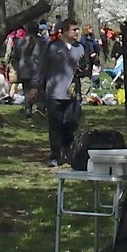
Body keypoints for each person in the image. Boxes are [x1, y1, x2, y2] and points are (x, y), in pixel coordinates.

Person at [39, 21, 85, 166]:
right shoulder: (53, 47)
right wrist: (36, 86)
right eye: (74, 30)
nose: (77, 32)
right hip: (55, 92)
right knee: (55, 125)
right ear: (64, 31)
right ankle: (55, 154)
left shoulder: (80, 48)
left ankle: (67, 149)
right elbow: (43, 67)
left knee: (71, 123)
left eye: (78, 30)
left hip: (73, 93)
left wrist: (83, 70)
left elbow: (84, 68)